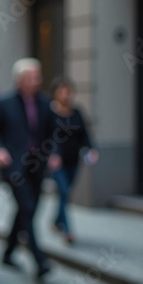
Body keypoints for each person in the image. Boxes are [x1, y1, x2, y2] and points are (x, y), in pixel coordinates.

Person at [0, 58, 61, 283]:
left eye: (38, 76)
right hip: (14, 166)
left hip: (37, 166)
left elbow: (53, 132)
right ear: (20, 79)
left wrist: (54, 153)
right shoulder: (5, 102)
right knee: (27, 207)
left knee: (26, 210)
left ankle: (8, 252)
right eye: (31, 77)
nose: (36, 80)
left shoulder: (45, 103)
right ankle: (40, 261)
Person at [48, 77, 98, 244]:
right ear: (55, 93)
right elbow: (46, 137)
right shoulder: (49, 113)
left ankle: (56, 221)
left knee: (66, 192)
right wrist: (51, 154)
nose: (65, 94)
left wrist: (91, 149)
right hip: (56, 161)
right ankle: (68, 231)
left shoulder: (76, 112)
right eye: (61, 91)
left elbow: (84, 134)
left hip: (74, 159)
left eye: (68, 91)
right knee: (64, 191)